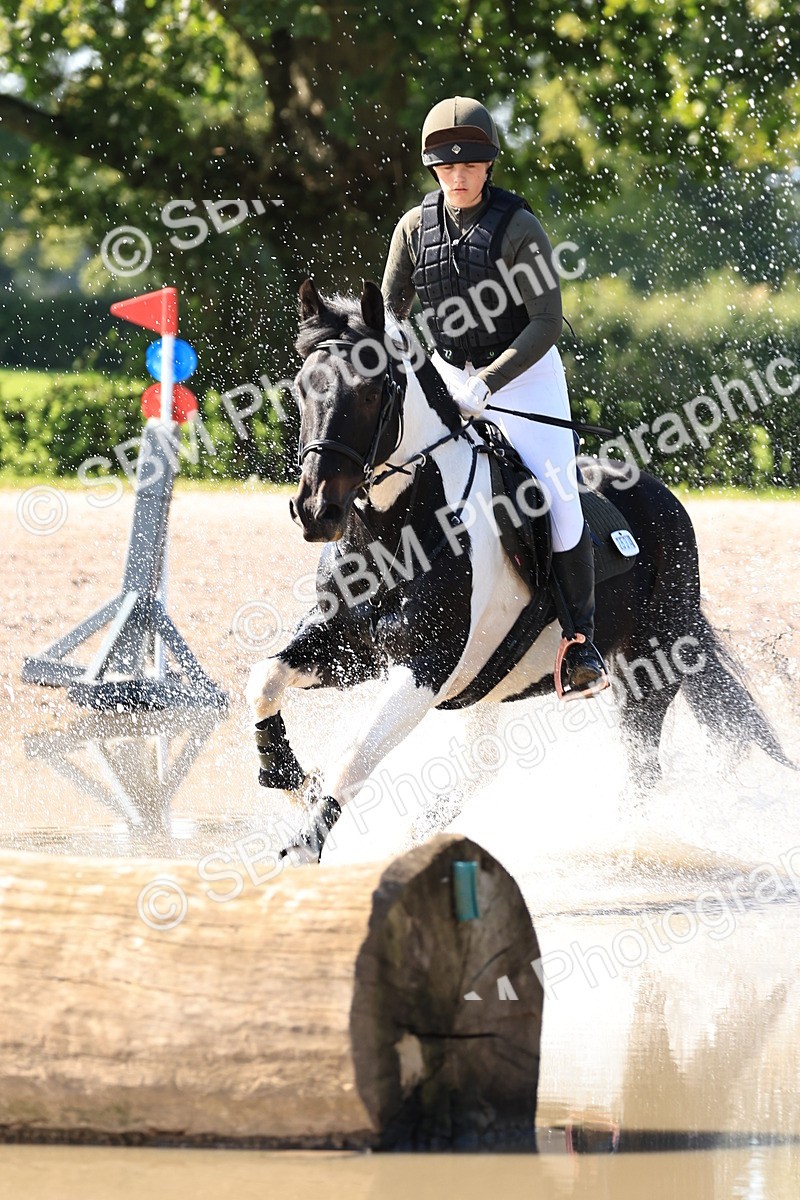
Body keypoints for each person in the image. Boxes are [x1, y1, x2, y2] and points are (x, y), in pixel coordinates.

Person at [381, 95, 608, 698]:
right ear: (433, 166)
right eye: (447, 166)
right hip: (448, 372)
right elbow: (390, 315)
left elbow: (546, 322)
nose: (457, 176)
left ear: (487, 166)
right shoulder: (413, 229)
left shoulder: (518, 228)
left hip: (524, 374)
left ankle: (580, 644)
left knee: (558, 497)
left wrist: (488, 382)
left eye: (469, 165)